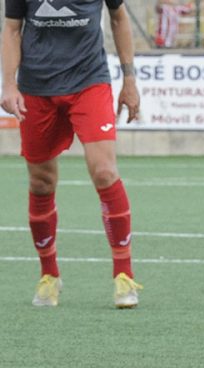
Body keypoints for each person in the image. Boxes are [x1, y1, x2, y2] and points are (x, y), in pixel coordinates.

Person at [1, 0, 142, 308]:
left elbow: (119, 18)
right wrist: (9, 85)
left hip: (89, 81)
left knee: (104, 170)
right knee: (41, 182)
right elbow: (12, 28)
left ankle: (124, 275)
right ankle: (49, 275)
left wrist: (129, 79)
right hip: (37, 87)